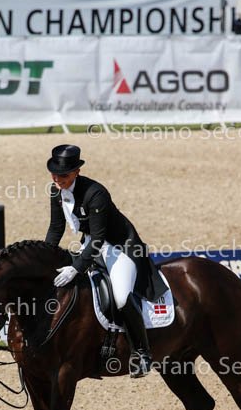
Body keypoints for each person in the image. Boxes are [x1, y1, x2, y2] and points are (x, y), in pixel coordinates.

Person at [45, 144, 167, 378]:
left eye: (63, 175)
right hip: (91, 244)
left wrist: (76, 268)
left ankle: (142, 353)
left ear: (77, 172)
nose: (57, 179)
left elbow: (99, 239)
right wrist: (46, 256)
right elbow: (55, 228)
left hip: (120, 247)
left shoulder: (96, 193)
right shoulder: (56, 191)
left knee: (121, 297)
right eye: (54, 174)